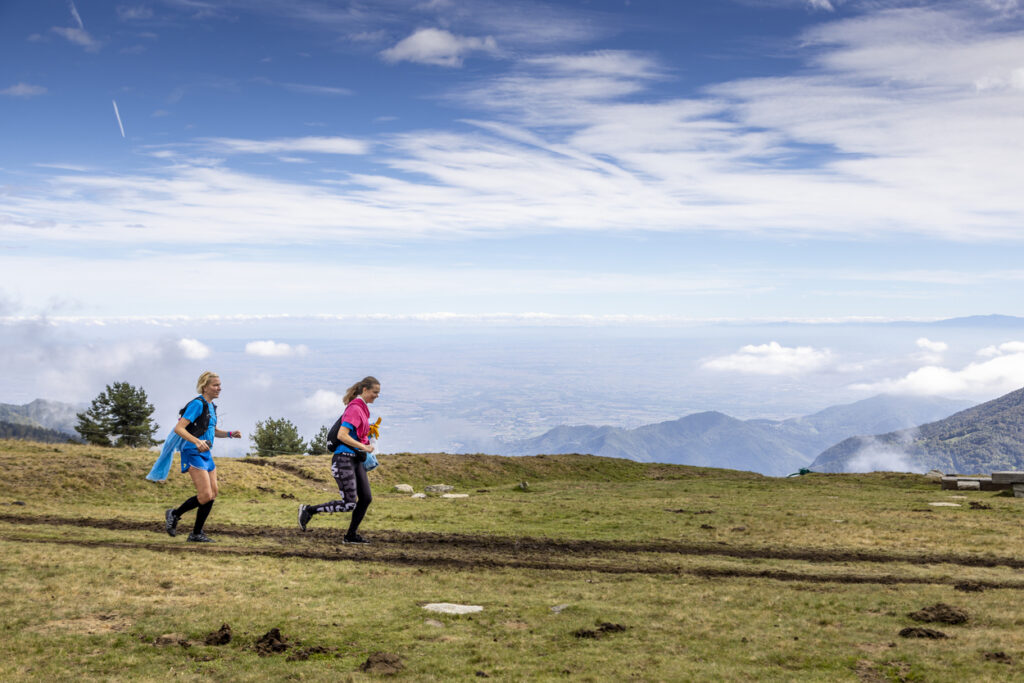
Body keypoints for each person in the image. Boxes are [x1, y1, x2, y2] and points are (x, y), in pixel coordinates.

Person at [298, 376, 379, 543]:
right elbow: (342, 435)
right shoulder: (355, 408)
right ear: (364, 390)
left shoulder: (363, 409)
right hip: (343, 460)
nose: (377, 395)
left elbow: (356, 433)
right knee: (349, 504)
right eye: (375, 392)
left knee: (366, 498)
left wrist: (368, 435)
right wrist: (364, 447)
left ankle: (351, 536)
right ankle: (309, 510)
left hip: (356, 460)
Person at [163, 371, 241, 543]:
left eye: (219, 385)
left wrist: (229, 433)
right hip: (192, 451)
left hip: (205, 453)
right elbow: (179, 428)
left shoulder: (211, 406)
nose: (219, 388)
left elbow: (211, 431)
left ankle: (196, 533)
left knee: (213, 493)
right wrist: (197, 442)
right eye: (215, 385)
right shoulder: (197, 404)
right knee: (205, 494)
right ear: (205, 387)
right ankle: (174, 514)